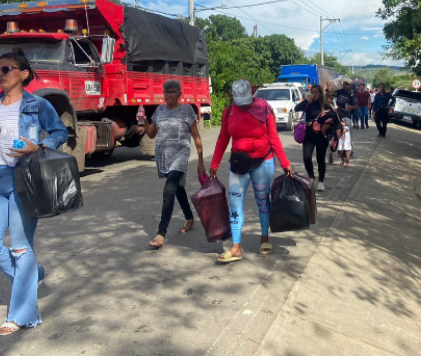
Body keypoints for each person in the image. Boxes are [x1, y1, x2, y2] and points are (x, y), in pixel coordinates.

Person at [0, 48, 69, 336]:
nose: (0, 74)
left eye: (6, 69)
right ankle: (32, 275)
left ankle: (20, 315)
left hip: (25, 180)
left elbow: (60, 132)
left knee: (21, 248)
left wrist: (39, 146)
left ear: (23, 73)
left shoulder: (38, 105)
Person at [209, 80, 293, 263]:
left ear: (252, 92)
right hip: (239, 166)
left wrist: (285, 162)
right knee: (235, 203)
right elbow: (223, 137)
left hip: (263, 163)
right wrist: (214, 163)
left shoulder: (265, 109)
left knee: (262, 201)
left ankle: (264, 237)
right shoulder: (229, 112)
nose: (244, 105)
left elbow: (273, 138)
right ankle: (236, 246)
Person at [138, 80, 206, 250]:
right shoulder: (160, 110)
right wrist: (144, 122)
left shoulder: (186, 110)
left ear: (180, 94)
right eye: (166, 92)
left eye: (172, 91)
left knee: (169, 190)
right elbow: (152, 134)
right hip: (164, 157)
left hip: (180, 155)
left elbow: (196, 136)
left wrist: (201, 161)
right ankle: (190, 218)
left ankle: (161, 234)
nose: (168, 94)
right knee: (177, 188)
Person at [294, 85, 333, 191]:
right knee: (306, 158)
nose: (314, 94)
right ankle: (311, 176)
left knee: (320, 159)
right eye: (312, 92)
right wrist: (305, 101)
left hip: (321, 135)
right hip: (308, 135)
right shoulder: (308, 103)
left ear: (320, 94)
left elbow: (332, 118)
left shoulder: (325, 105)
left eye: (316, 92)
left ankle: (321, 181)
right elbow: (296, 108)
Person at [331, 78, 358, 156]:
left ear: (350, 85)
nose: (346, 86)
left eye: (347, 84)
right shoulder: (340, 92)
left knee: (347, 133)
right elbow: (331, 93)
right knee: (338, 133)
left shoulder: (353, 94)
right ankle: (341, 150)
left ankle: (350, 150)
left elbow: (356, 106)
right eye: (345, 84)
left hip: (346, 117)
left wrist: (350, 107)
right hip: (338, 116)